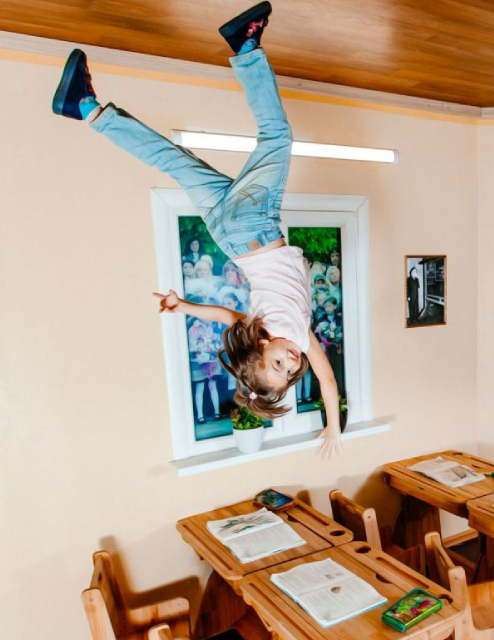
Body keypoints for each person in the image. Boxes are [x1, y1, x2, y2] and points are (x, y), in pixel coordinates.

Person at [52, 1, 343, 457]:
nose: (291, 363)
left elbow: (326, 380)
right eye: (289, 372)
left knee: (277, 137)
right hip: (229, 235)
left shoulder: (289, 333)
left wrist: (334, 428)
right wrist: (182, 306)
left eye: (278, 363)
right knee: (173, 160)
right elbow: (225, 318)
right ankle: (87, 108)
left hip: (253, 227)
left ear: (262, 346)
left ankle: (246, 48)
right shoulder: (265, 329)